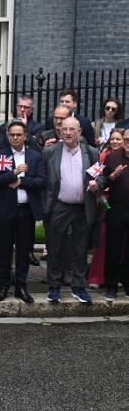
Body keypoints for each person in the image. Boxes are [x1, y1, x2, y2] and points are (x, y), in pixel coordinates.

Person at [42, 117, 102, 303]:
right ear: (59, 132)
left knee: (80, 247)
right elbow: (44, 180)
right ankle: (54, 287)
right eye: (64, 129)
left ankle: (78, 287)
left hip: (83, 206)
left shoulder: (91, 152)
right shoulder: (50, 152)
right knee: (54, 247)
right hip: (59, 205)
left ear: (79, 132)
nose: (68, 133)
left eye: (72, 129)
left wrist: (96, 184)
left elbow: (100, 176)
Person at [0, 121, 45, 303]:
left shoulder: (35, 156)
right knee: (4, 250)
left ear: (25, 135)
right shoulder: (0, 154)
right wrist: (13, 173)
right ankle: (4, 285)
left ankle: (21, 286)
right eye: (11, 134)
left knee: (23, 251)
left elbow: (42, 182)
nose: (15, 138)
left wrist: (22, 181)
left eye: (18, 135)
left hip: (26, 211)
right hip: (6, 209)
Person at [87, 128, 124, 288]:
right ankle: (97, 276)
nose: (115, 142)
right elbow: (95, 177)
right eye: (113, 139)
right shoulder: (102, 156)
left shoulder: (124, 157)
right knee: (102, 239)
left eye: (118, 139)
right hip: (103, 201)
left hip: (119, 203)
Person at [100, 129, 129, 301]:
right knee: (113, 249)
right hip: (117, 210)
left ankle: (127, 283)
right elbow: (102, 181)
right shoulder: (112, 157)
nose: (127, 142)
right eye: (126, 139)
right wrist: (112, 175)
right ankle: (111, 286)